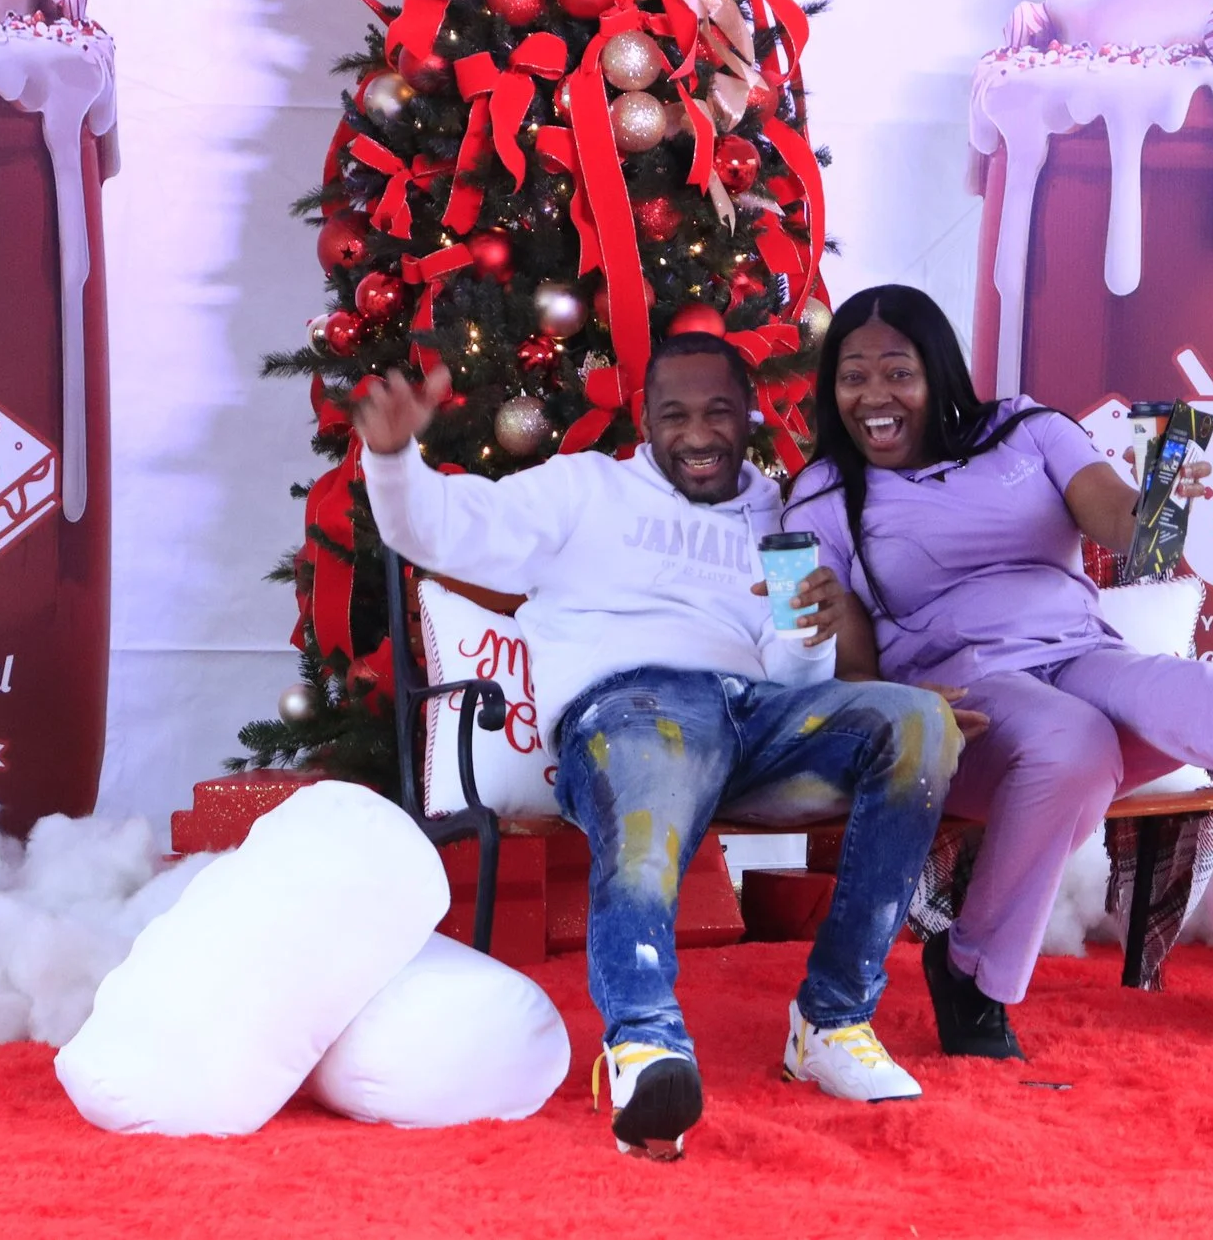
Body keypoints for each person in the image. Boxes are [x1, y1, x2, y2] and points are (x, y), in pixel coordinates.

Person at [355, 331, 962, 1162]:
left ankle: (831, 1018)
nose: (699, 434)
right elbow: (448, 530)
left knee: (918, 720)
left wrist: (809, 631)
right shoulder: (583, 489)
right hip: (633, 706)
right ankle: (646, 1045)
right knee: (649, 766)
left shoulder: (778, 514)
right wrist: (393, 459)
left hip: (756, 722)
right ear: (643, 420)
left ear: (751, 415)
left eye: (719, 411)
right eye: (675, 414)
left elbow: (790, 677)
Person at [780, 284, 1213, 1059]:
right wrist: (897, 707)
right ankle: (972, 964)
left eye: (896, 371)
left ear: (938, 370)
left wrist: (1164, 497)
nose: (873, 395)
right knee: (1076, 742)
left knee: (1160, 691)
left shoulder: (1025, 430)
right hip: (962, 695)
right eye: (851, 376)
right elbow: (840, 653)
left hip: (1080, 650)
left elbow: (1120, 522)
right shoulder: (826, 494)